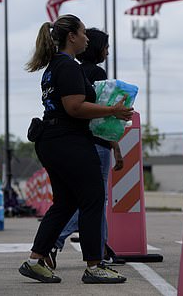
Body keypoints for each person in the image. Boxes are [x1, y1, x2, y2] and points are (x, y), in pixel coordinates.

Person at [20, 14, 132, 284]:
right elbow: (74, 107)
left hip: (53, 140)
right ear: (71, 36)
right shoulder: (68, 67)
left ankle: (36, 260)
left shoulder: (54, 67)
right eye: (83, 33)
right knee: (93, 199)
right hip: (68, 141)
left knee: (66, 203)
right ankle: (95, 265)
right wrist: (113, 110)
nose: (86, 38)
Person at [47, 28, 125, 269]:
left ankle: (100, 248)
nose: (107, 51)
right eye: (106, 46)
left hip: (75, 139)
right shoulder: (96, 73)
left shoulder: (74, 69)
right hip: (97, 142)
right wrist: (115, 144)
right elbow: (99, 114)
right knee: (93, 201)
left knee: (84, 199)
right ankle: (56, 241)